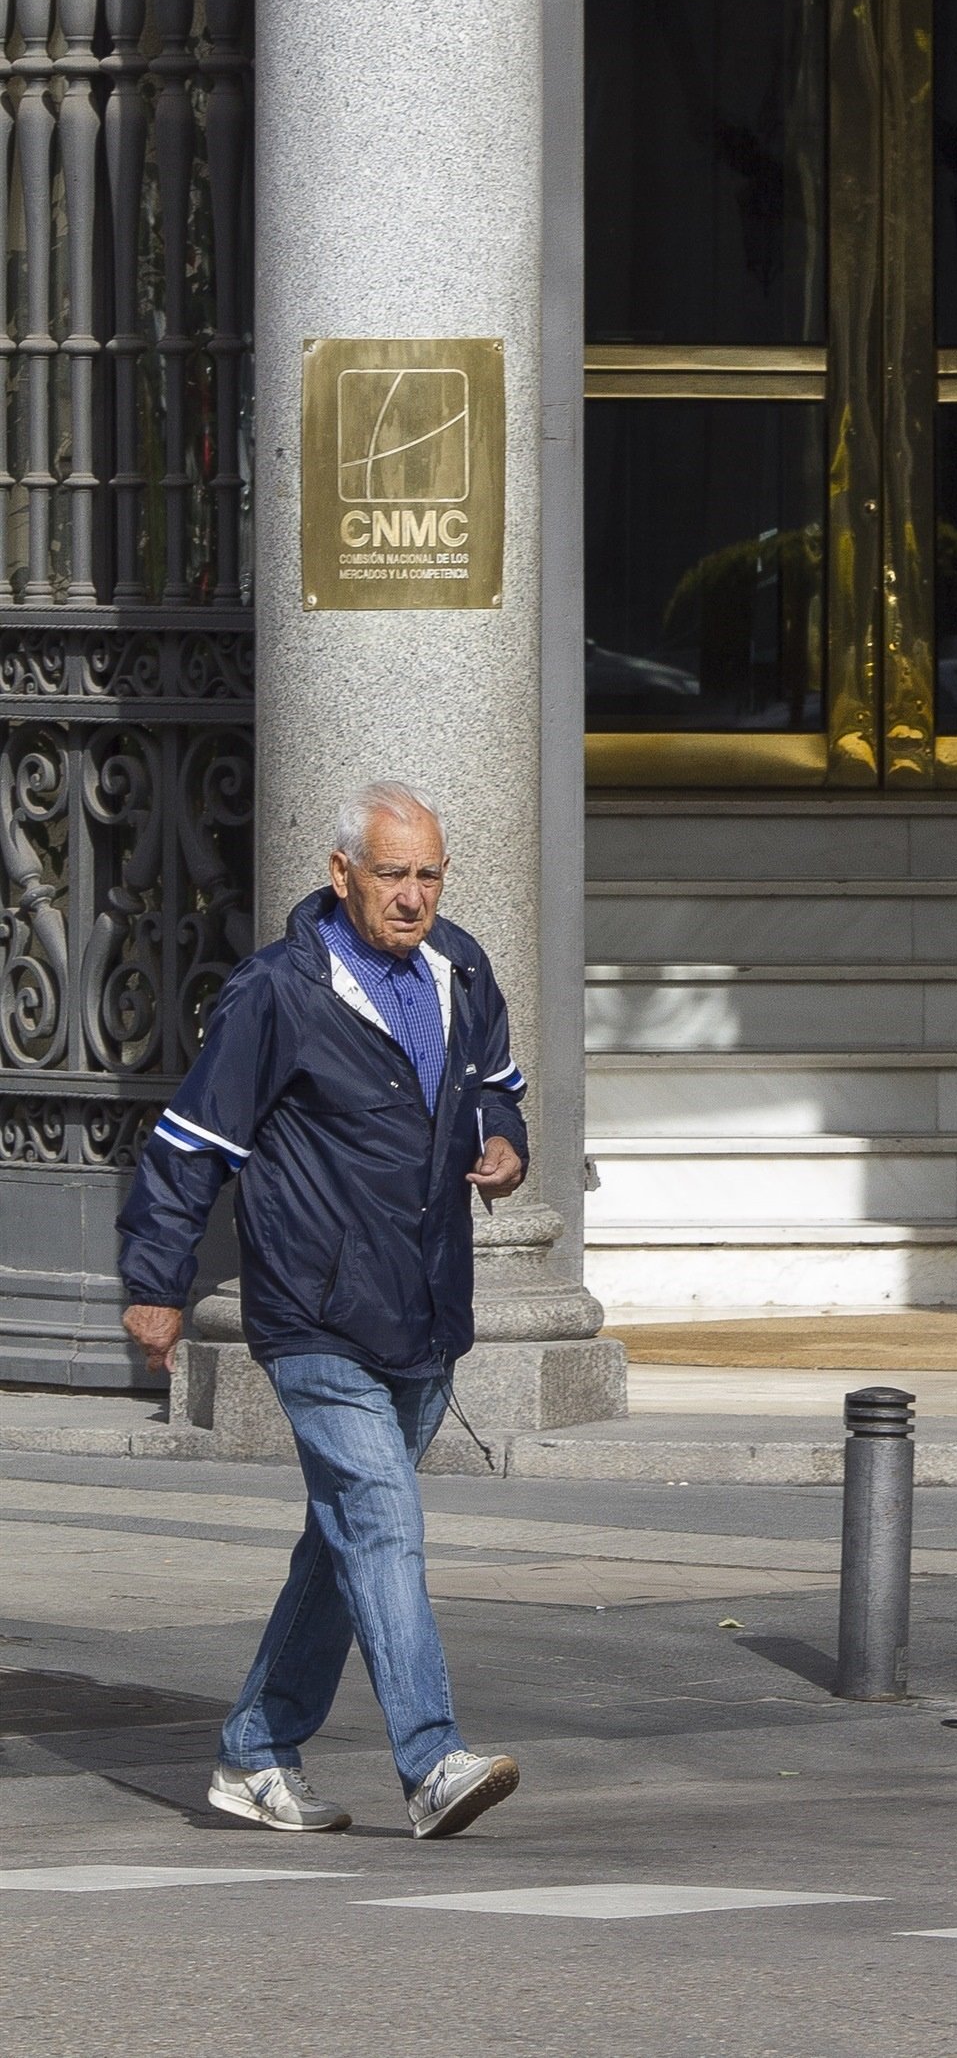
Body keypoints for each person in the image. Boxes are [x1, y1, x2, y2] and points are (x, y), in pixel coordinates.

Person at [118, 778, 528, 1840]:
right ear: (340, 873)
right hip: (313, 1313)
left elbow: (495, 1084)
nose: (412, 894)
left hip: (427, 1311)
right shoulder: (277, 991)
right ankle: (432, 1760)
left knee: (345, 1541)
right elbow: (190, 1145)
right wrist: (157, 1284)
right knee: (383, 1523)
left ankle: (255, 1754)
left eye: (428, 873)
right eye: (391, 873)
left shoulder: (462, 967)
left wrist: (504, 1141)